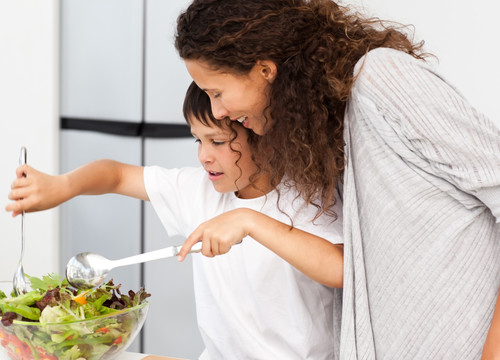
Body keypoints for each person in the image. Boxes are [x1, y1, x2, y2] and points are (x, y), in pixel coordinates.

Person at [174, 0, 500, 359]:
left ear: (265, 69)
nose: (219, 112)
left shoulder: (381, 78)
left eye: (217, 93)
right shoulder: (322, 132)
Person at [6, 82, 344, 359]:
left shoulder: (309, 199)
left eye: (218, 141)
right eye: (199, 139)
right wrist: (62, 186)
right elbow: (116, 176)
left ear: (268, 140)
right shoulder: (200, 190)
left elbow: (341, 269)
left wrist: (249, 221)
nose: (203, 155)